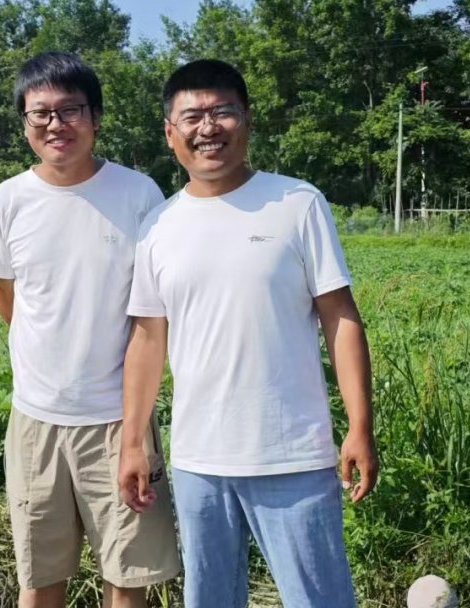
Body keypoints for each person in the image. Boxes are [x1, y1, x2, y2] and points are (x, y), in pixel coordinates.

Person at [118, 59, 379, 608]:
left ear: (247, 120)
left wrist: (360, 426)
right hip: (198, 462)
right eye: (192, 117)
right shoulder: (158, 226)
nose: (207, 128)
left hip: (293, 457)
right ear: (170, 133)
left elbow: (340, 317)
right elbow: (146, 340)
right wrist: (132, 444)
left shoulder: (297, 204)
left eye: (223, 112)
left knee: (320, 600)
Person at [0, 51, 180, 608]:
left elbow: (153, 314)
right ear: (24, 123)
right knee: (39, 580)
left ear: (96, 117)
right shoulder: (6, 202)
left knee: (128, 578)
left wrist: (134, 432)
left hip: (118, 421)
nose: (55, 124)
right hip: (36, 421)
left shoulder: (139, 195)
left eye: (70, 110)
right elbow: (7, 295)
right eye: (40, 113)